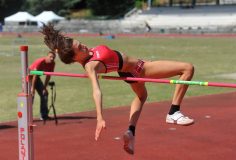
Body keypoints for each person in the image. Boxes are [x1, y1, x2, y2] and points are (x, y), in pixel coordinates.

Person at [40, 24, 194, 154]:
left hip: (131, 69)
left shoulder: (85, 54)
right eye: (81, 48)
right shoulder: (90, 66)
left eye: (81, 43)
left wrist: (56, 44)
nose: (84, 46)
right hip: (141, 69)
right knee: (187, 68)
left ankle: (131, 131)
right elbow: (96, 91)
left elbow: (62, 49)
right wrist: (100, 117)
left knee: (141, 97)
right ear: (75, 58)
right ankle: (174, 112)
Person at [29, 51, 56, 120]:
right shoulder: (40, 61)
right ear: (47, 56)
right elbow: (34, 75)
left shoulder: (52, 64)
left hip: (36, 78)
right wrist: (32, 88)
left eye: (53, 57)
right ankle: (27, 117)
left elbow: (48, 76)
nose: (52, 58)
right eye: (50, 57)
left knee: (45, 94)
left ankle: (44, 115)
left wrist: (44, 88)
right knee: (31, 96)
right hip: (29, 78)